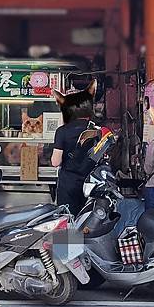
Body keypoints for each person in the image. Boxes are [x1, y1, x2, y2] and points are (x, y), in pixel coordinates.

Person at [51, 80, 97, 216]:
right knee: (88, 218)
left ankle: (71, 238)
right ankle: (86, 238)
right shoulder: (96, 129)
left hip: (69, 184)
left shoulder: (62, 131)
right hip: (91, 182)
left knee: (68, 220)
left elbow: (56, 162)